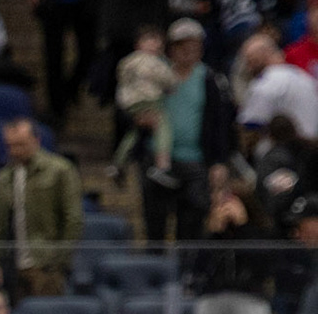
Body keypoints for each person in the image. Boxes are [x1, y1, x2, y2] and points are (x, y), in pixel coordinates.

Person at [145, 20, 232, 247]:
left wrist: (219, 161)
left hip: (195, 160)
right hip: (159, 158)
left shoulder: (210, 78)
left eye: (194, 47)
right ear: (172, 48)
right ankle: (156, 265)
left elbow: (219, 123)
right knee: (155, 219)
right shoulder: (157, 74)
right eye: (183, 47)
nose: (189, 53)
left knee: (192, 218)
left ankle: (186, 271)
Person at [0, 119, 83, 299]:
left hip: (47, 266)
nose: (15, 151)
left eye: (21, 145)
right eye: (10, 146)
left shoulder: (60, 170)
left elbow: (73, 220)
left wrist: (59, 262)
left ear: (36, 140)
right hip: (13, 266)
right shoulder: (3, 177)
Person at [195, 184, 277, 314]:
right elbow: (196, 268)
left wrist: (243, 227)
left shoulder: (261, 231)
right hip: (212, 298)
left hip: (250, 298)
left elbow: (263, 267)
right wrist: (213, 233)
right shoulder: (208, 233)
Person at [115, 26, 177, 185]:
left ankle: (118, 163)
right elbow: (169, 81)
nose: (154, 45)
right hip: (148, 101)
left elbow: (121, 76)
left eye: (158, 42)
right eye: (150, 40)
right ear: (138, 44)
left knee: (134, 133)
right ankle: (162, 165)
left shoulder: (126, 61)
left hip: (129, 103)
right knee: (162, 127)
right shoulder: (154, 62)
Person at [237, 32, 318, 140]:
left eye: (250, 60)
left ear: (259, 57)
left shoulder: (266, 82)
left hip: (285, 151)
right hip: (312, 148)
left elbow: (251, 126)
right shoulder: (305, 78)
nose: (248, 68)